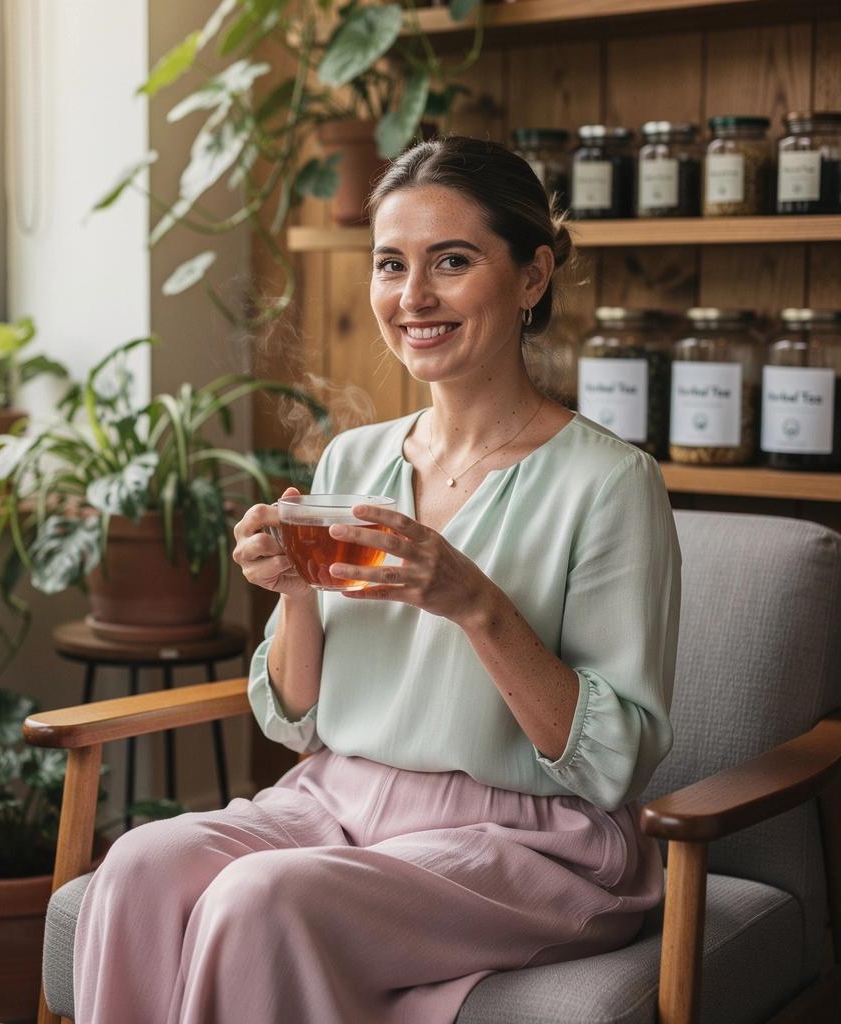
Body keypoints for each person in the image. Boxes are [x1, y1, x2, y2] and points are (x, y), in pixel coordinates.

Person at [73, 136, 681, 1024]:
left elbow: (611, 761)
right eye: (391, 265)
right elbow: (298, 718)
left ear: (532, 277)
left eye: (453, 261)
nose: (414, 297)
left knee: (260, 899)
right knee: (137, 868)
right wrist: (294, 591)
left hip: (526, 837)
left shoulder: (611, 484)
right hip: (337, 799)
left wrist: (473, 601)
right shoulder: (355, 456)